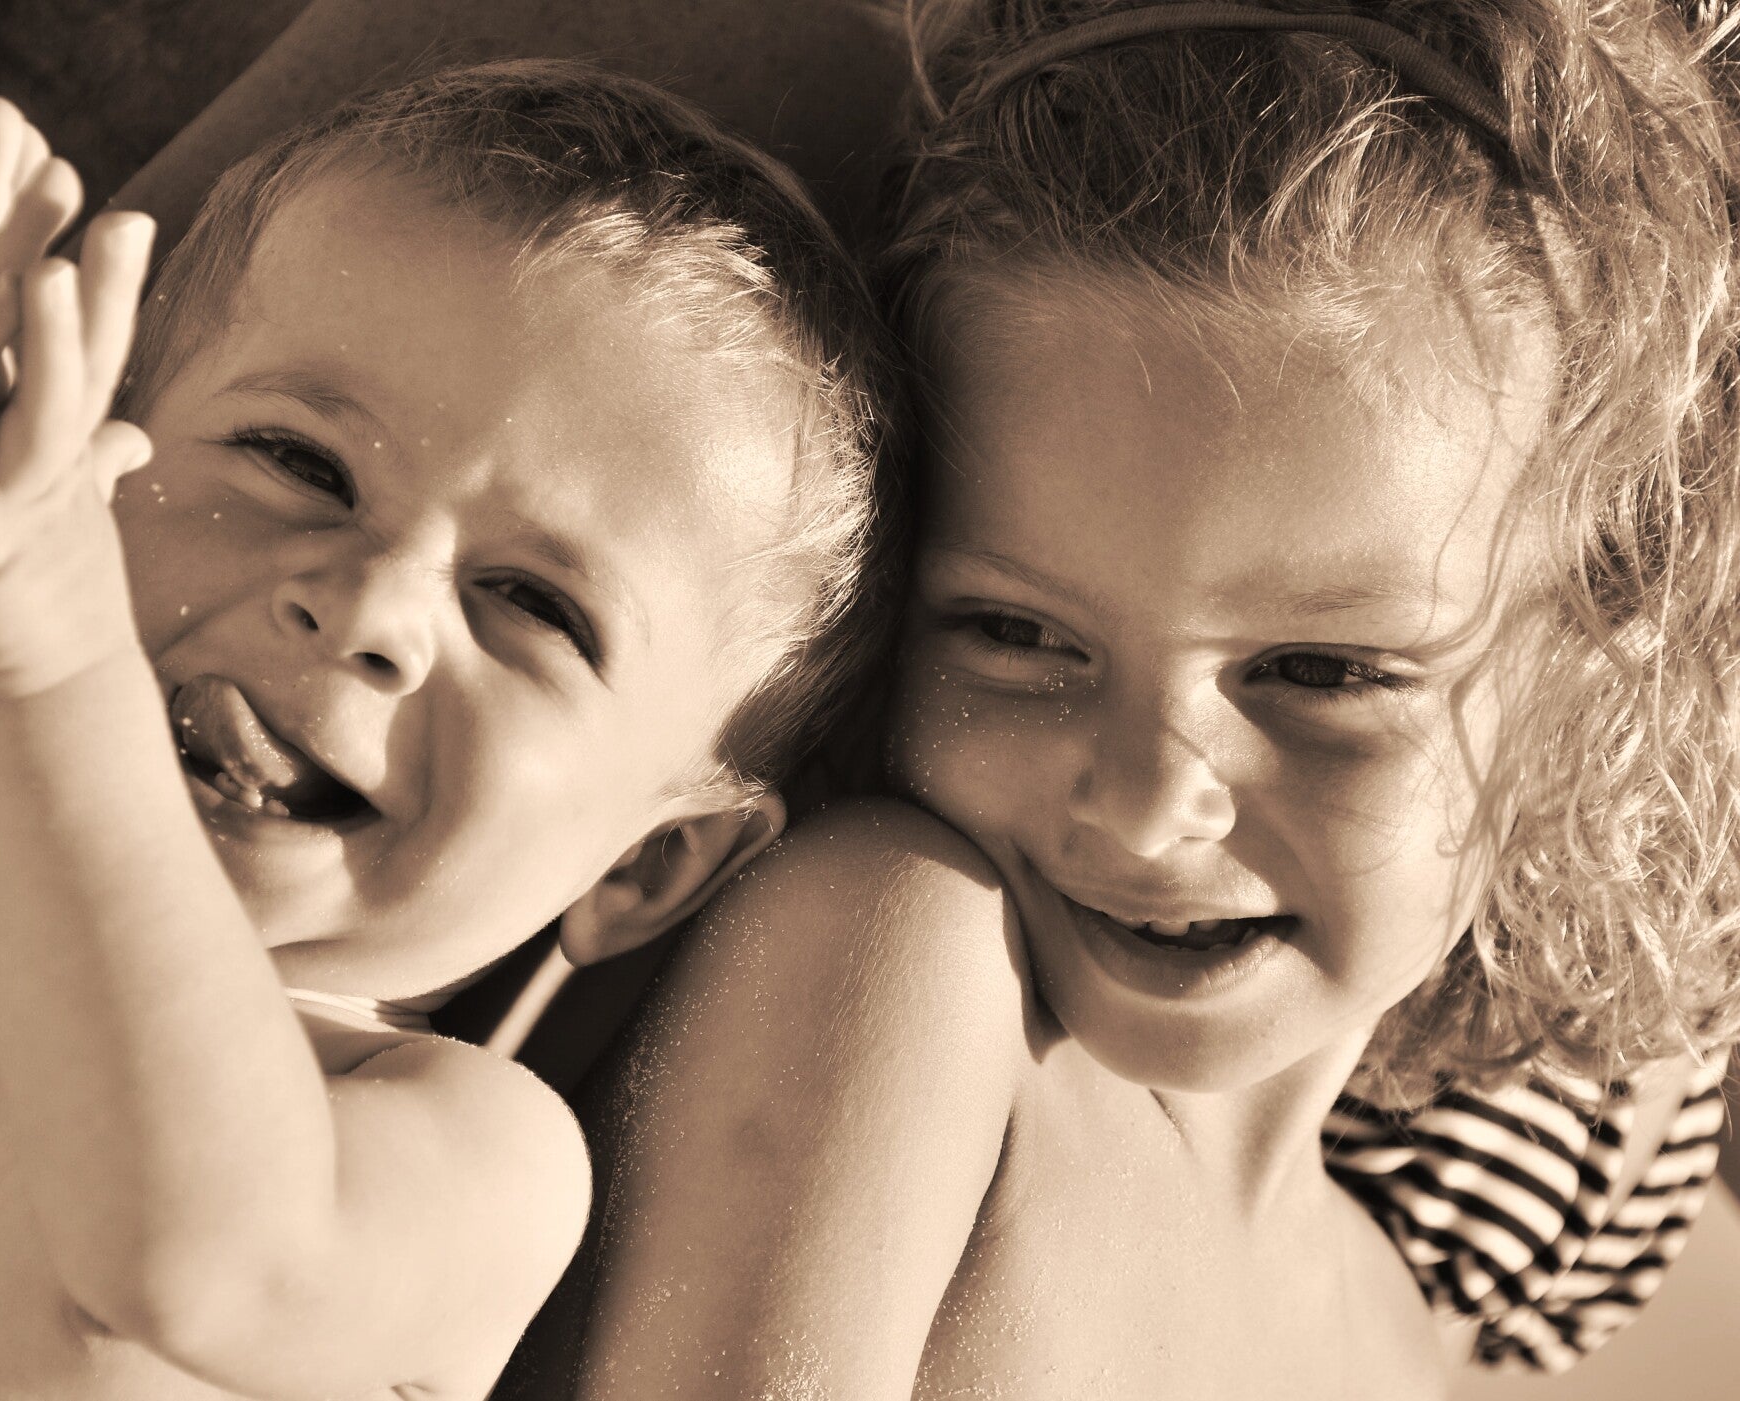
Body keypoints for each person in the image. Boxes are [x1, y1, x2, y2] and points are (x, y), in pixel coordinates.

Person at [501, 2, 1740, 1397]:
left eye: (1324, 672)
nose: (1151, 805)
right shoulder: (902, 961)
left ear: (1595, 675)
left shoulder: (1423, 1325)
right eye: (1019, 636)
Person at [0, 57, 895, 1400]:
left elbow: (200, 1260)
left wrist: (54, 673)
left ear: (644, 865)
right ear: (91, 454)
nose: (369, 603)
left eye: (535, 604)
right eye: (299, 461)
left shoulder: (463, 1149)